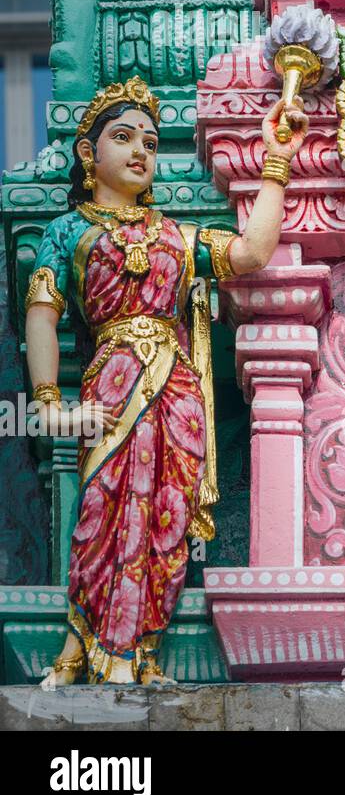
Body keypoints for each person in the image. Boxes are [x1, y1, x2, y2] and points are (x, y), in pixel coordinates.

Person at [26, 76, 307, 686]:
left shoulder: (177, 238)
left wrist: (277, 158)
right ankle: (94, 648)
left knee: (166, 516)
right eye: (123, 138)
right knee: (104, 511)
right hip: (112, 387)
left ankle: (141, 650)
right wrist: (49, 402)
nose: (139, 153)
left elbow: (254, 254)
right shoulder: (67, 232)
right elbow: (41, 316)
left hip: (176, 395)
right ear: (87, 153)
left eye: (150, 143)